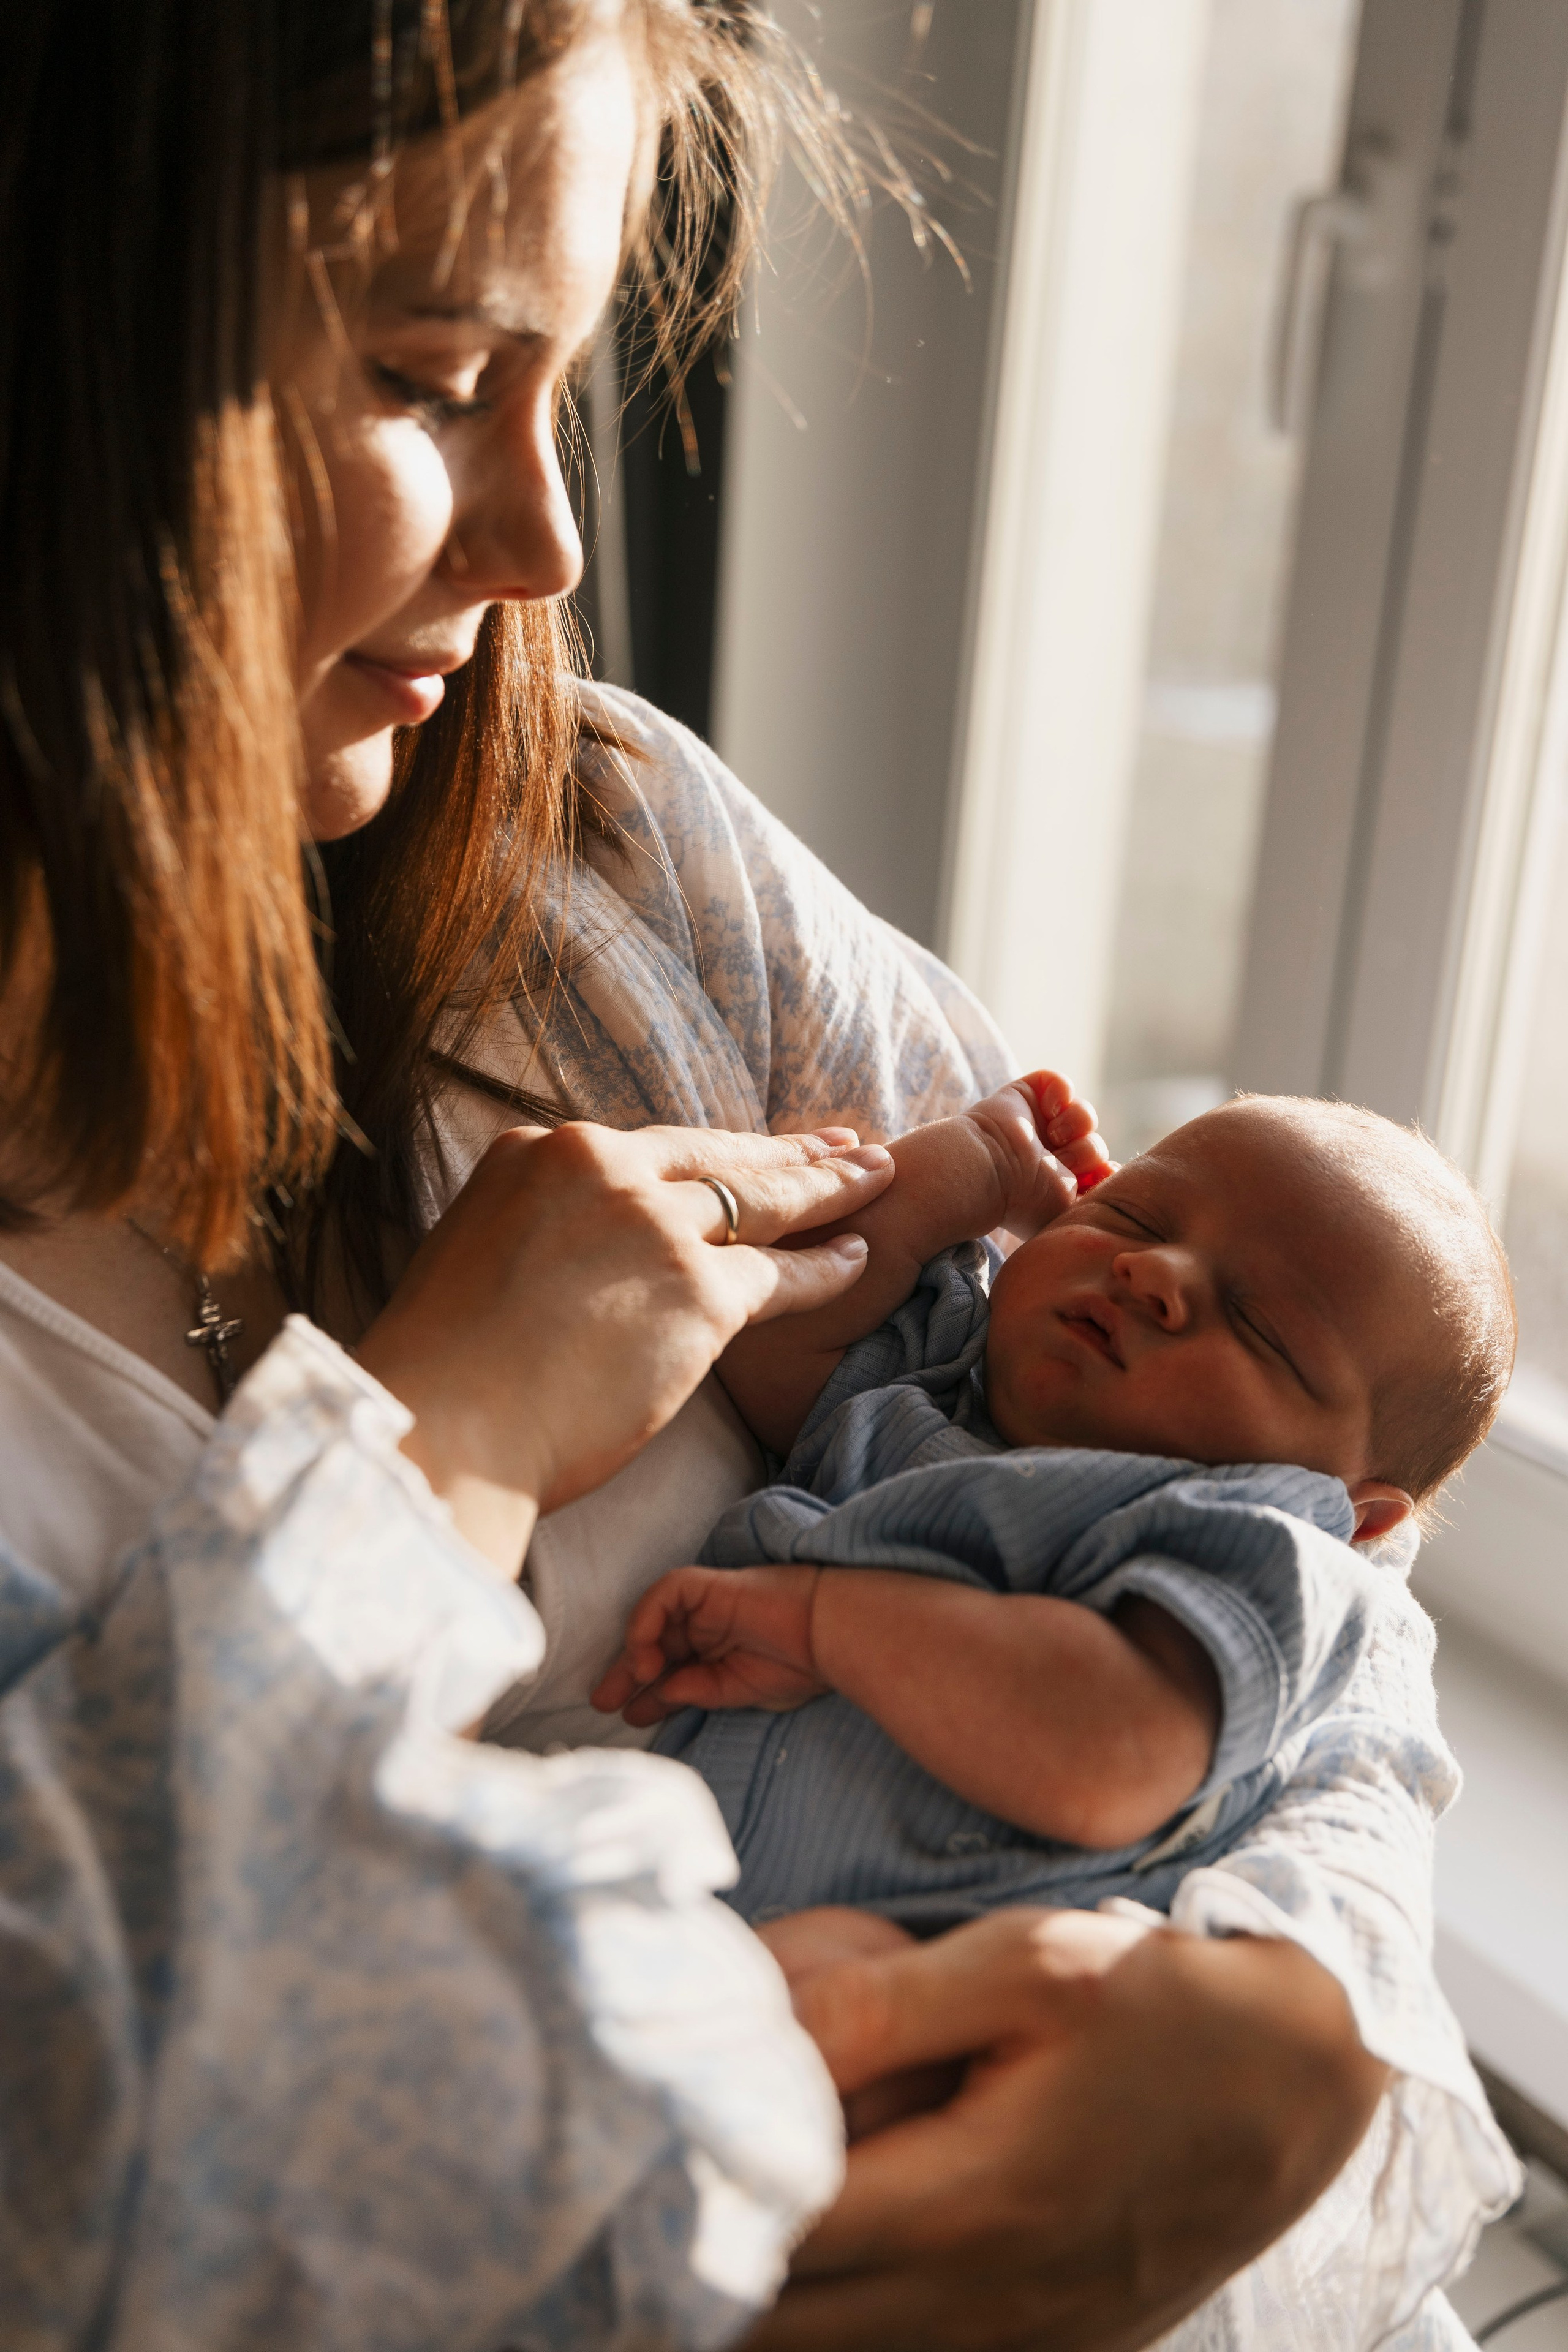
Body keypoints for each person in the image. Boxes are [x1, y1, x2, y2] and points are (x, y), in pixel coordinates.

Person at [0, 4, 1517, 2349]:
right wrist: (443, 1448)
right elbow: (108, 2184)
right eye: (425, 378)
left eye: (560, 379)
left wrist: (1276, 2042)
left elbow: (1323, 1619)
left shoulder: (609, 847)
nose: (549, 540)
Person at [592, 1086, 1512, 1941]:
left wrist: (818, 1622)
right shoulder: (945, 1379)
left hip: (942, 1998)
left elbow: (1112, 1752)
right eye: (1135, 1215)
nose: (1153, 1271)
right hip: (674, 1933)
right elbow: (781, 1332)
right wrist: (972, 1168)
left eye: (1263, 1327)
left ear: (1353, 1513)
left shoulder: (1266, 1546)